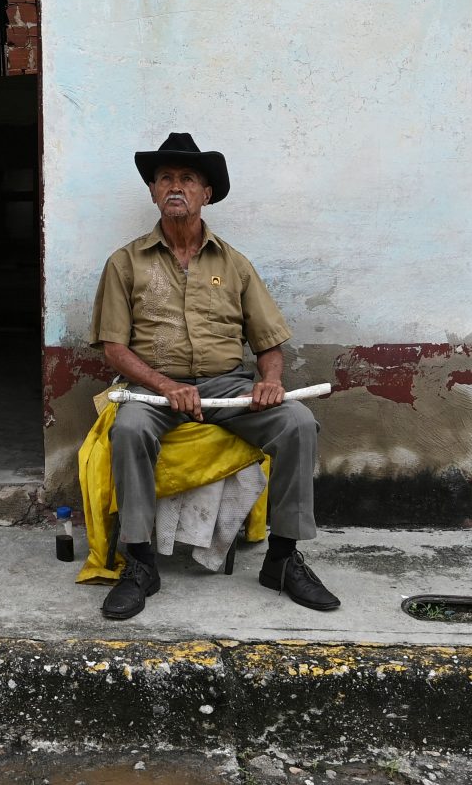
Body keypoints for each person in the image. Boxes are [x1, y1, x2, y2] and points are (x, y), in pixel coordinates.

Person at [87, 131, 339, 621]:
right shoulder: (125, 263)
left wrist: (269, 380)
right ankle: (139, 564)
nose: (175, 186)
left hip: (228, 386)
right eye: (165, 178)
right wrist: (165, 387)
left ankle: (283, 561)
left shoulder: (234, 263)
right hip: (152, 389)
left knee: (299, 423)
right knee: (129, 429)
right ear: (154, 192)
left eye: (187, 178)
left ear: (207, 193)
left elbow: (268, 343)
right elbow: (114, 348)